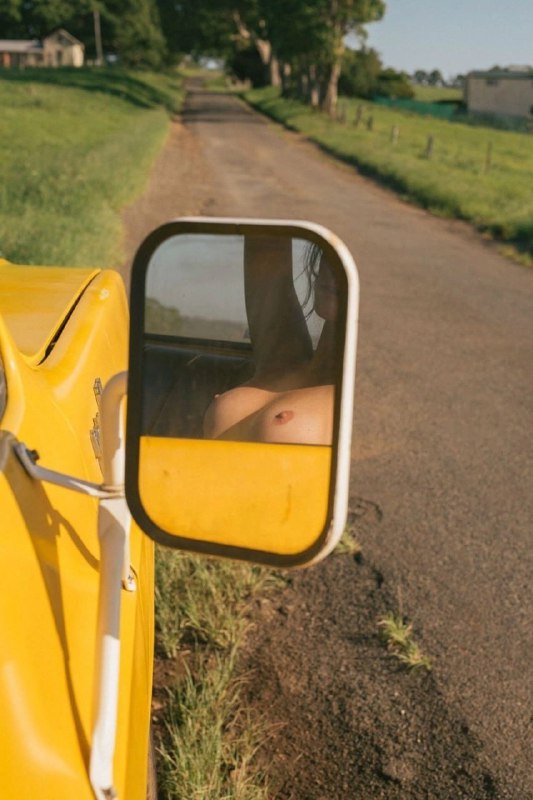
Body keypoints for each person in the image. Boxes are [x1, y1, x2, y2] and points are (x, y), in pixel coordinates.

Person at [203, 235, 341, 445]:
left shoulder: (375, 395)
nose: (334, 269)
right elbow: (264, 238)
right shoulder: (285, 362)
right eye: (332, 251)